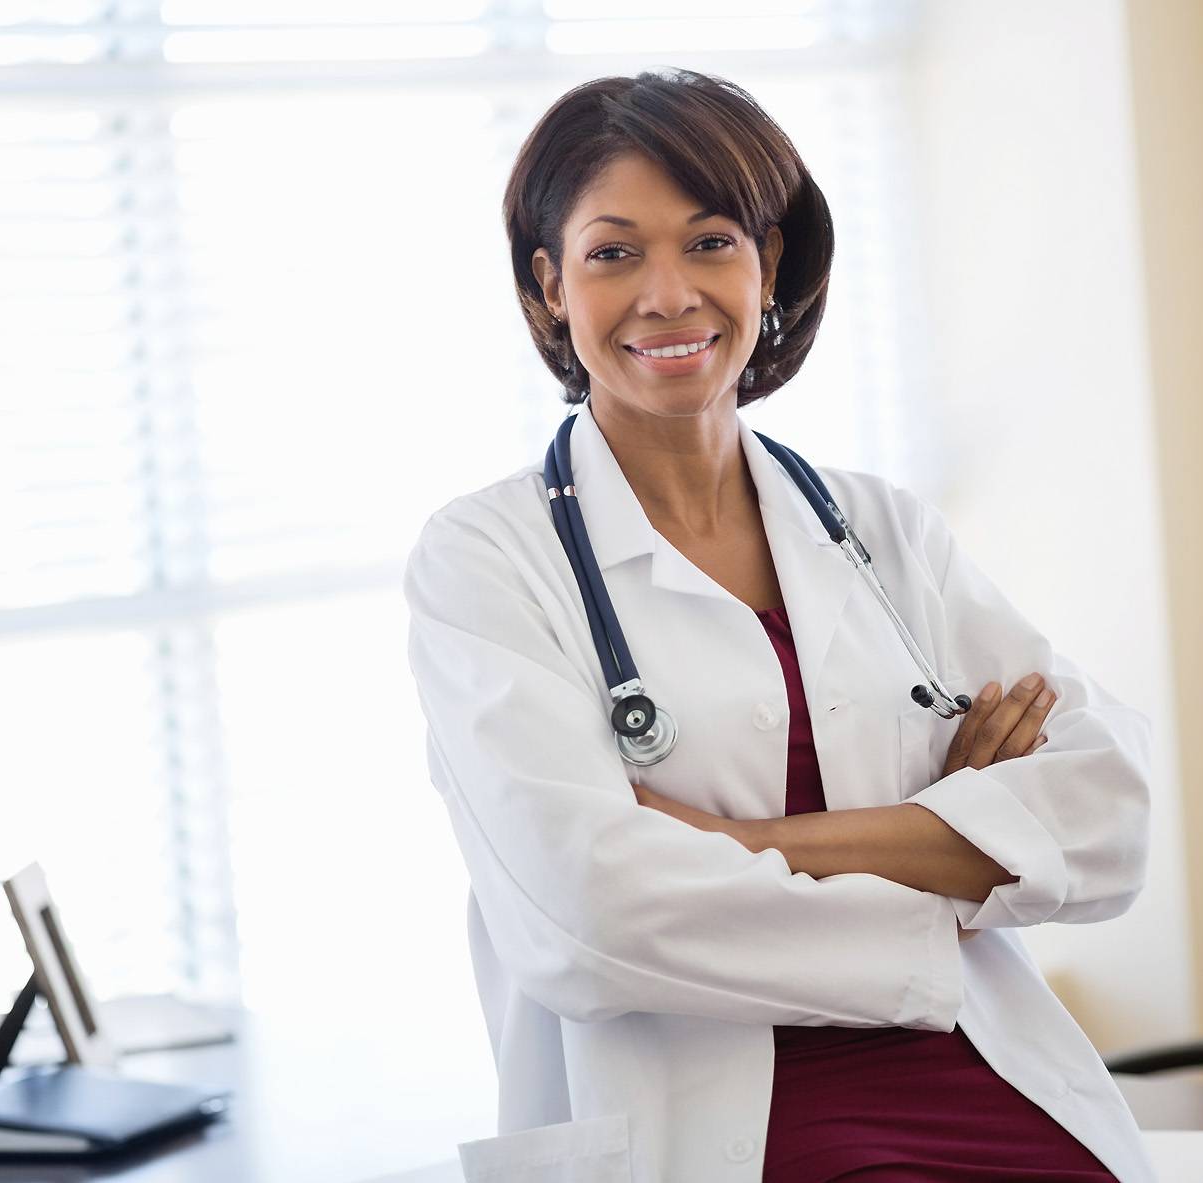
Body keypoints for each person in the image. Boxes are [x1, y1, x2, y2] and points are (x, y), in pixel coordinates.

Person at [403, 67, 1155, 1182]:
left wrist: (740, 850)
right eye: (614, 252)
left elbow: (1107, 813)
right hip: (712, 1122)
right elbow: (588, 918)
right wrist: (943, 855)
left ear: (769, 265)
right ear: (550, 287)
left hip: (982, 1073)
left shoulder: (878, 527)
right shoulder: (486, 561)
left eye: (710, 241)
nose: (668, 293)